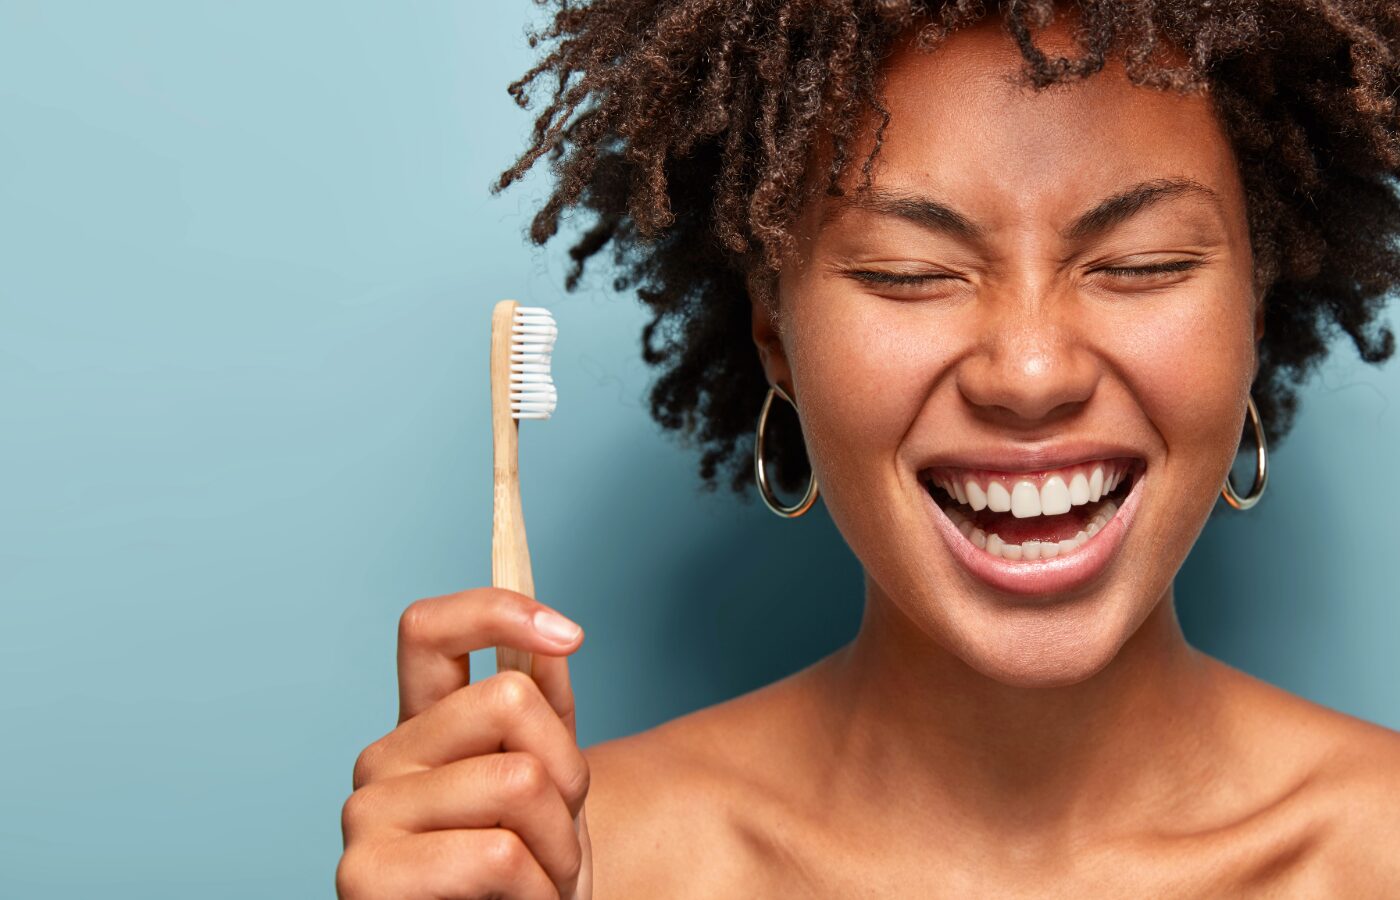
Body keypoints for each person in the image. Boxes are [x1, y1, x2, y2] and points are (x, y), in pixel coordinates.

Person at [337, 1, 1400, 896]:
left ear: (1251, 311)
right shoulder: (564, 867)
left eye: (1140, 263)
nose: (1028, 375)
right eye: (905, 272)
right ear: (775, 338)